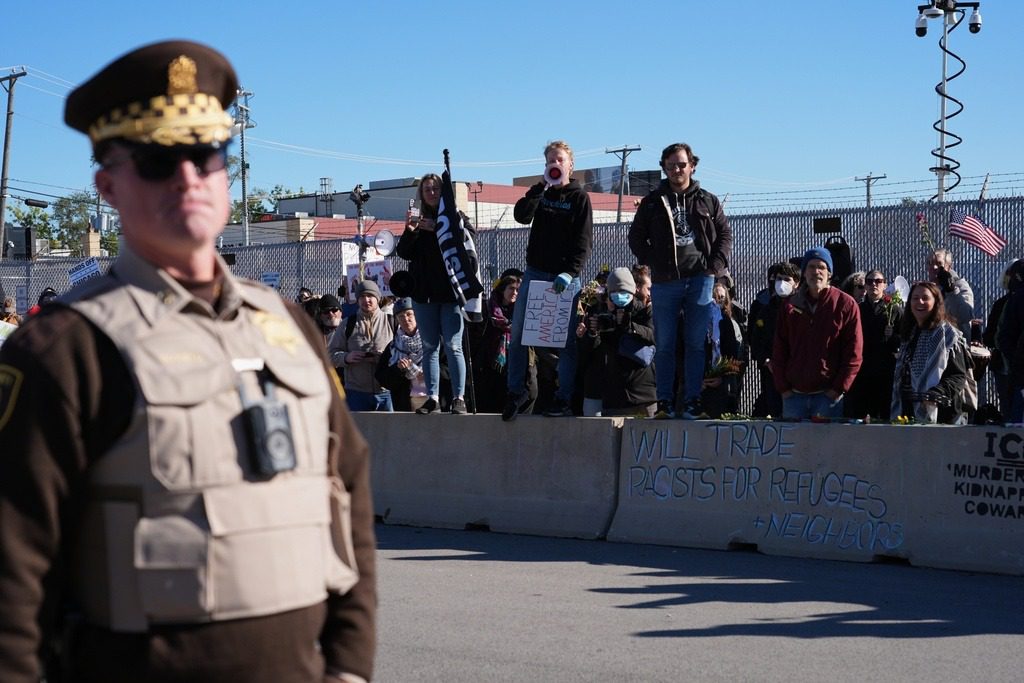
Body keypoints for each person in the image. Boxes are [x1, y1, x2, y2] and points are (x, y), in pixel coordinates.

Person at [0, 41, 375, 683]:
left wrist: (349, 667)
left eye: (206, 154)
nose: (187, 177)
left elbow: (349, 495)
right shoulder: (63, 349)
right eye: (157, 159)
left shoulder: (290, 327)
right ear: (107, 186)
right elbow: (12, 574)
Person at [628, 142, 732, 419]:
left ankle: (692, 401)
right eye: (671, 165)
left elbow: (724, 235)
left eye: (682, 164)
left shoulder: (708, 200)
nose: (677, 169)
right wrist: (653, 262)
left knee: (696, 343)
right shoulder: (652, 202)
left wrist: (714, 267)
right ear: (664, 167)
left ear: (692, 166)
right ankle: (664, 401)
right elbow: (635, 237)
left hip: (700, 280)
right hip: (665, 282)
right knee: (664, 344)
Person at [502, 140, 593, 420]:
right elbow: (521, 216)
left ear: (570, 165)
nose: (555, 164)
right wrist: (539, 187)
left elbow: (583, 242)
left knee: (564, 342)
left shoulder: (579, 198)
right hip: (536, 273)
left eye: (560, 160)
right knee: (519, 334)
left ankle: (563, 397)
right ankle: (516, 392)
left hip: (563, 278)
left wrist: (570, 272)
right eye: (550, 161)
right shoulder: (542, 193)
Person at [396, 174, 473, 415]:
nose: (431, 193)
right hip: (423, 295)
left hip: (450, 294)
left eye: (435, 188)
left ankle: (459, 397)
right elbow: (404, 253)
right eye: (427, 189)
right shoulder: (418, 220)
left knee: (453, 345)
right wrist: (410, 231)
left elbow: (469, 240)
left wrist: (439, 227)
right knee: (430, 347)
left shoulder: (454, 216)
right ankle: (432, 398)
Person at [772, 247, 863, 420]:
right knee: (794, 439)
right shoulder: (790, 305)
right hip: (793, 397)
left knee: (827, 439)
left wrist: (838, 389)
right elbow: (779, 348)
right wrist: (783, 388)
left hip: (828, 398)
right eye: (811, 267)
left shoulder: (846, 305)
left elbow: (854, 353)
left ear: (829, 273)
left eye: (821, 267)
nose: (816, 272)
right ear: (804, 273)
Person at [576, 267, 657, 417]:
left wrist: (630, 327)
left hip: (643, 393)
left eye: (624, 293)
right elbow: (592, 354)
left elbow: (653, 335)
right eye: (614, 293)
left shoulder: (645, 312)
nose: (620, 298)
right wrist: (593, 333)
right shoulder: (601, 312)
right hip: (613, 394)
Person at [892, 281, 970, 424]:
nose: (920, 302)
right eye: (915, 298)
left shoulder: (947, 335)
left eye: (925, 298)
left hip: (941, 413)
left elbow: (958, 376)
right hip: (908, 411)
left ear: (936, 302)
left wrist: (936, 393)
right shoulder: (910, 334)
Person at [845, 269, 903, 421]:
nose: (874, 285)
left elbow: (904, 338)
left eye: (878, 281)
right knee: (859, 414)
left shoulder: (894, 309)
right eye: (869, 282)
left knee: (884, 415)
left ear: (885, 285)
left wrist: (893, 336)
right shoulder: (858, 309)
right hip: (862, 370)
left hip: (885, 371)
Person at [331, 279, 395, 412]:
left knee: (390, 426)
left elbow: (403, 352)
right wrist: (346, 357)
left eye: (370, 296)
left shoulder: (391, 322)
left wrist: (382, 358)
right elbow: (331, 355)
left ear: (378, 298)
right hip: (356, 393)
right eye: (362, 297)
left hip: (386, 393)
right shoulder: (347, 324)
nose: (366, 300)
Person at [748, 261, 799, 418]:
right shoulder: (765, 311)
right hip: (771, 375)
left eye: (787, 279)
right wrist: (766, 360)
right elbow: (756, 340)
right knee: (775, 411)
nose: (782, 283)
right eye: (778, 279)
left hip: (798, 376)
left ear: (797, 283)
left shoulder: (803, 309)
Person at [473, 274, 525, 413]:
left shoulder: (520, 311)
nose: (514, 293)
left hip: (510, 360)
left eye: (517, 290)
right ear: (502, 289)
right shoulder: (489, 307)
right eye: (511, 288)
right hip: (488, 360)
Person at [375, 297, 427, 412]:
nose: (406, 319)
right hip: (405, 404)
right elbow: (381, 377)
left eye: (409, 314)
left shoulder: (432, 341)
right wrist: (398, 369)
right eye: (401, 316)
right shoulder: (393, 346)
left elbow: (448, 369)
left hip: (433, 401)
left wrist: (428, 372)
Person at [701, 282, 745, 419]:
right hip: (699, 384)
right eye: (714, 296)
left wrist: (723, 377)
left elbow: (734, 354)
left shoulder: (727, 323)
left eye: (721, 297)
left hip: (722, 384)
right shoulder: (697, 322)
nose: (717, 300)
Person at [927, 247, 975, 335]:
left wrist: (951, 291)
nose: (934, 267)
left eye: (939, 263)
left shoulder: (960, 286)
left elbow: (965, 316)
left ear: (949, 266)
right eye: (930, 263)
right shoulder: (928, 289)